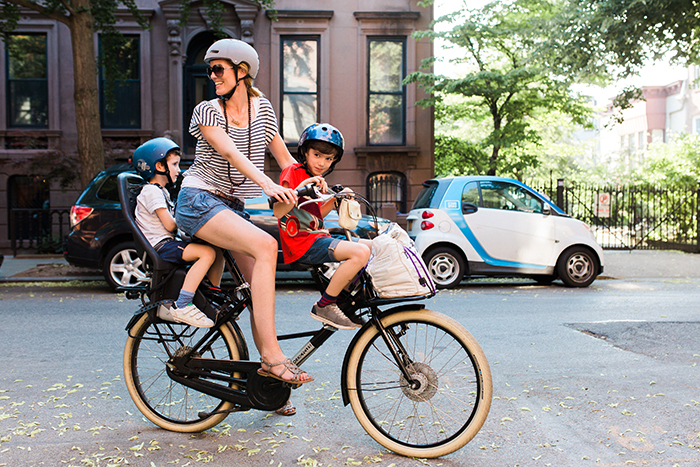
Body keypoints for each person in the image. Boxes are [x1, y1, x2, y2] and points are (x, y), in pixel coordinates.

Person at [175, 38, 313, 386]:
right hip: (199, 200)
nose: (212, 76)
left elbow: (285, 159)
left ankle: (269, 381)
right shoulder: (207, 111)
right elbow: (233, 154)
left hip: (231, 208)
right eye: (210, 70)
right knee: (266, 246)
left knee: (254, 292)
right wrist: (268, 186)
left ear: (241, 71)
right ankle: (273, 359)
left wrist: (315, 182)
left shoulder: (262, 109)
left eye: (218, 69)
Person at [273, 123, 372, 330]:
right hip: (303, 244)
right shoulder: (293, 172)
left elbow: (315, 215)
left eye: (328, 159)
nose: (322, 163)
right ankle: (325, 305)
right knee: (360, 252)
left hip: (315, 238)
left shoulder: (316, 180)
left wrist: (337, 200)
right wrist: (302, 188)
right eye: (317, 155)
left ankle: (343, 300)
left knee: (371, 248)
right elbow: (278, 211)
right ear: (304, 152)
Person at [132, 137, 224, 328]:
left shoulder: (161, 191)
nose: (179, 170)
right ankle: (183, 304)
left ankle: (211, 295)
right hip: (161, 246)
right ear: (158, 166)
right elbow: (170, 225)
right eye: (174, 164)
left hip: (167, 244)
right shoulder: (151, 191)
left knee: (216, 247)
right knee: (207, 253)